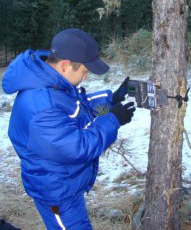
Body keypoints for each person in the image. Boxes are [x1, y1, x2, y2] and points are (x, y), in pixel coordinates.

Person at [2, 28, 136, 230]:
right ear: (66, 65)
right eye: (84, 71)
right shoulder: (41, 106)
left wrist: (111, 99)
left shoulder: (52, 82)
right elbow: (77, 148)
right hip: (57, 192)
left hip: (65, 181)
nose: (86, 77)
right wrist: (112, 120)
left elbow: (76, 106)